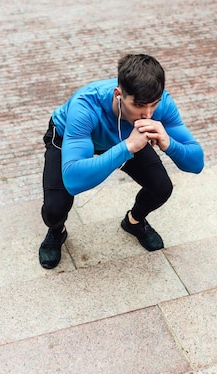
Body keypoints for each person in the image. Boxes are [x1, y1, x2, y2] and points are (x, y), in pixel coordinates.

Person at [39, 54, 204, 269]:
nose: (147, 114)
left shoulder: (160, 104)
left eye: (153, 105)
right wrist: (127, 148)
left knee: (161, 188)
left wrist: (168, 143)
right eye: (139, 105)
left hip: (124, 137)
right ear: (119, 95)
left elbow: (197, 163)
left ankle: (134, 221)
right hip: (68, 136)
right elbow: (73, 179)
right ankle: (57, 232)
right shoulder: (85, 106)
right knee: (54, 208)